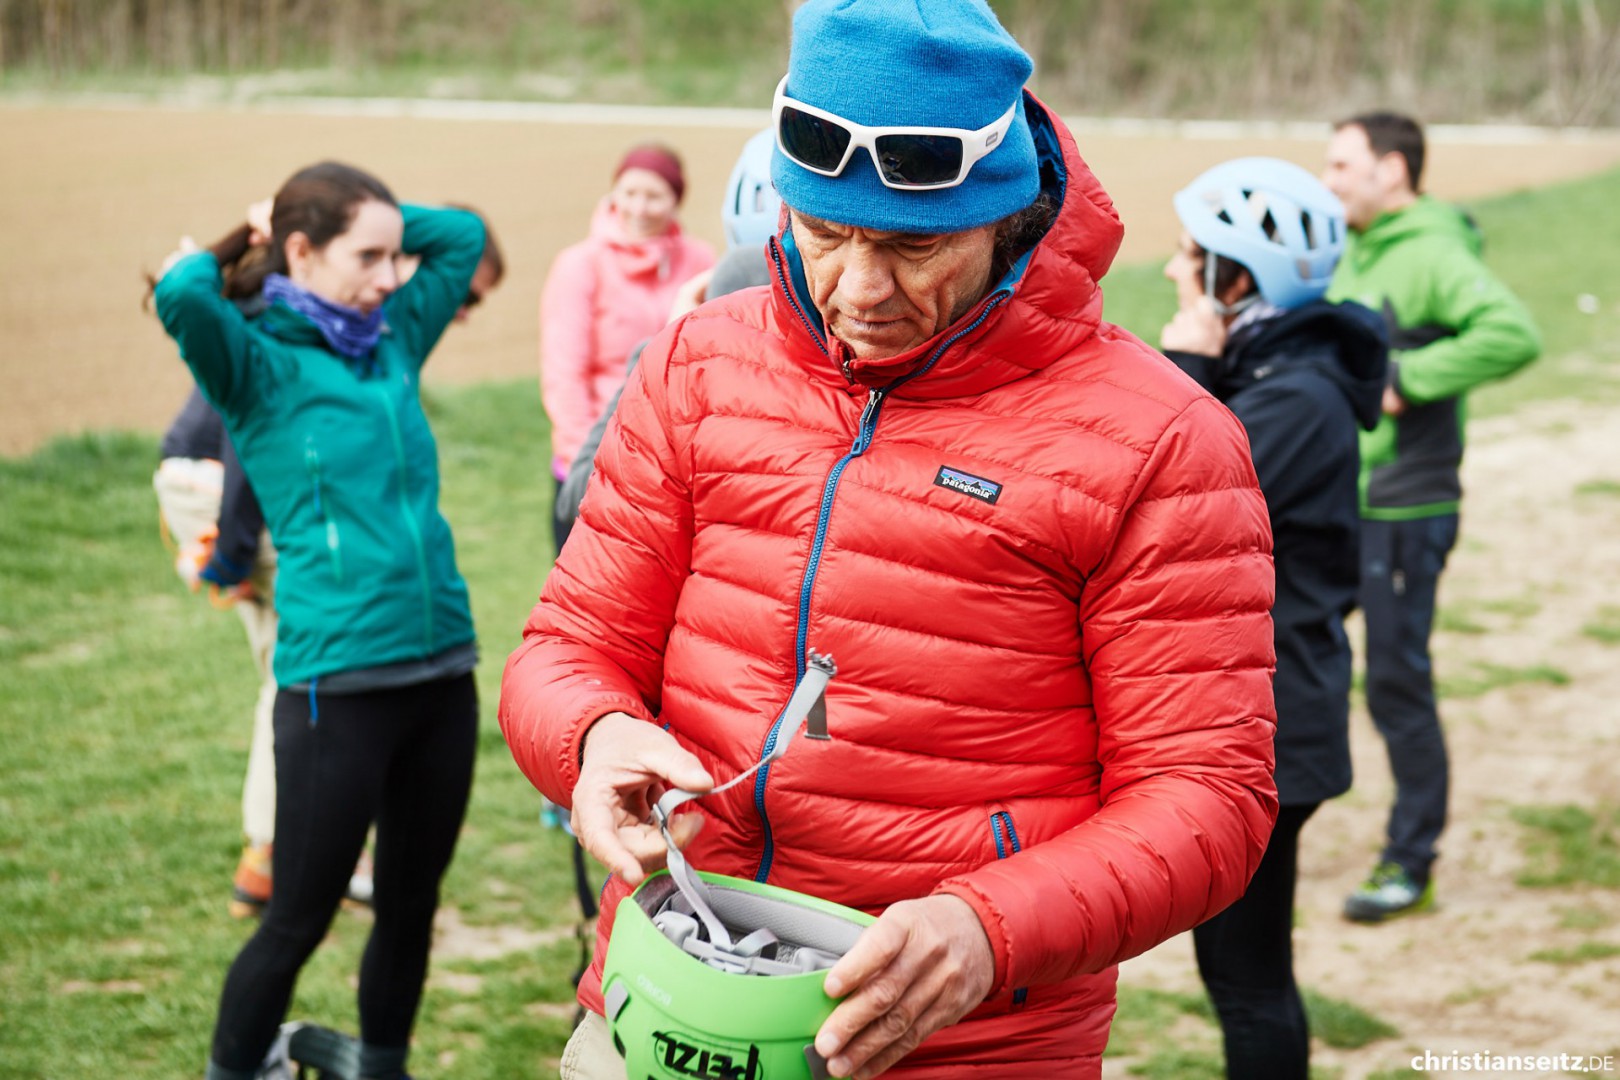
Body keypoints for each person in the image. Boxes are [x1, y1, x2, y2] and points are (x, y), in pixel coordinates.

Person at [500, 2, 1280, 1077]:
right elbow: (566, 645)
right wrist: (588, 740)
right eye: (822, 232)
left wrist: (990, 928)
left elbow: (1211, 799)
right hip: (664, 1007)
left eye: (915, 247)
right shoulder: (693, 365)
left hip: (966, 1046)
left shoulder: (1162, 440)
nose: (859, 293)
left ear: (1009, 216)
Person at [153, 161, 486, 1080]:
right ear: (300, 253)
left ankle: (384, 1067)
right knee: (296, 920)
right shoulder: (254, 362)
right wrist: (253, 226)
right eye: (368, 256)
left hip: (442, 677)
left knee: (412, 905)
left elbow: (459, 239)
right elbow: (182, 292)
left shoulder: (392, 340)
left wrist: (378, 218)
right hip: (332, 691)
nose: (392, 275)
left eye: (393, 255)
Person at [1158, 157, 1387, 1078]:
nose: (1175, 269)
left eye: (1190, 254)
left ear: (1235, 278)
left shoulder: (1297, 397)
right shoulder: (1280, 371)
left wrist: (1187, 366)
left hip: (1274, 728)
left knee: (1247, 979)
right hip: (1273, 714)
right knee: (1241, 971)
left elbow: (1177, 516)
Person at [1321, 112, 1541, 922]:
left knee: (1394, 683)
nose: (1330, 178)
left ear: (1393, 170)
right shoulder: (1355, 248)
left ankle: (1409, 860)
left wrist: (1405, 380)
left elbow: (1513, 334)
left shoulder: (1435, 251)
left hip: (1407, 505)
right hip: (1343, 501)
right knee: (1287, 653)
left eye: (1342, 163)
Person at [538, 142, 715, 552]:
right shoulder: (580, 265)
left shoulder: (700, 260)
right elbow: (565, 373)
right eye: (629, 193)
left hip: (674, 465)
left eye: (654, 195)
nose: (639, 207)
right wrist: (584, 466)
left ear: (676, 200)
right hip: (595, 457)